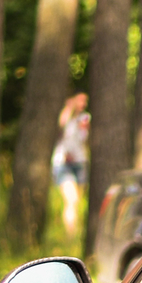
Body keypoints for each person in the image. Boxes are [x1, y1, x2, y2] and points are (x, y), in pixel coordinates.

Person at [52, 93, 90, 244]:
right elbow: (62, 126)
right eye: (80, 100)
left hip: (80, 162)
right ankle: (70, 236)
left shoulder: (86, 117)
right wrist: (69, 108)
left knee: (77, 201)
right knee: (71, 199)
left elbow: (83, 137)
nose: (83, 103)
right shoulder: (66, 116)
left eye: (85, 101)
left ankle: (74, 233)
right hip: (63, 163)